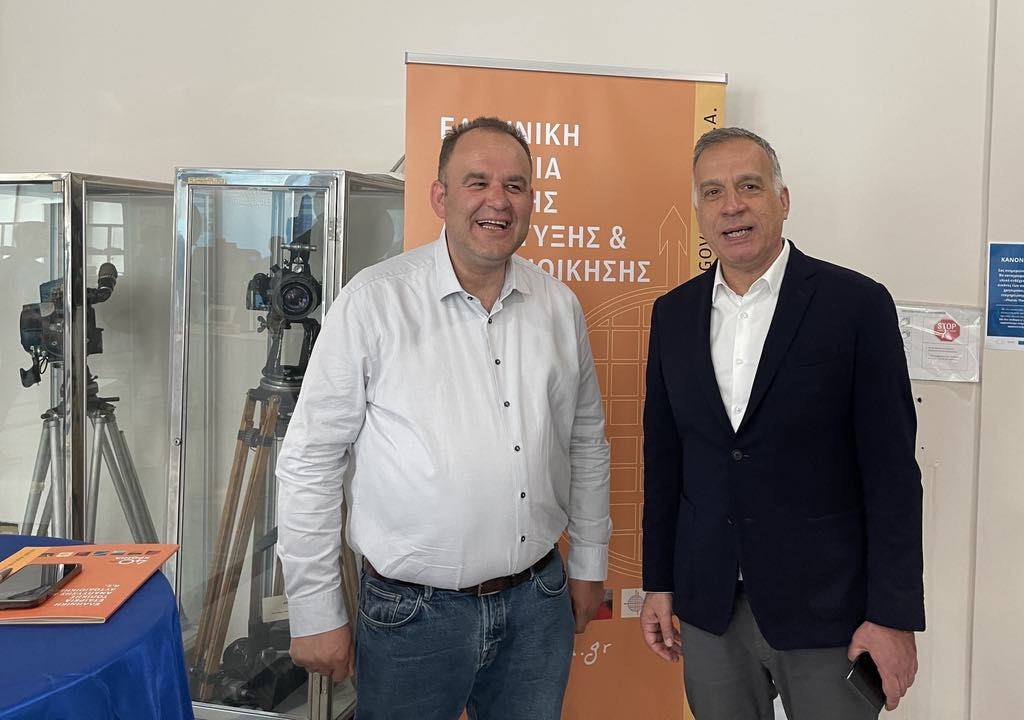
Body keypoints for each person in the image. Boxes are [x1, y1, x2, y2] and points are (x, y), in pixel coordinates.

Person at [275, 116, 611, 720]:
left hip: (538, 603)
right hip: (412, 617)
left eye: (514, 185)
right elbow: (311, 461)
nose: (497, 201)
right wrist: (315, 609)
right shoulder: (372, 302)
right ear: (440, 197)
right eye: (477, 182)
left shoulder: (558, 306)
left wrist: (589, 562)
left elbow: (586, 442)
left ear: (531, 201)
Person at [640, 127, 924, 719]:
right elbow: (665, 463)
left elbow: (893, 474)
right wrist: (659, 583)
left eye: (749, 186)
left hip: (829, 611)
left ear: (783, 199)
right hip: (710, 608)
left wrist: (893, 616)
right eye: (713, 192)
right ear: (699, 212)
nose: (732, 206)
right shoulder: (673, 315)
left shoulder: (856, 306)